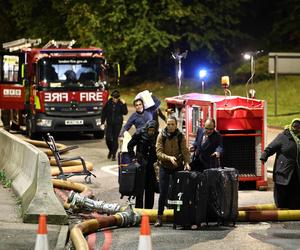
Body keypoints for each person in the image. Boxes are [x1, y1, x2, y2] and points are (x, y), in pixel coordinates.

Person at [155, 116, 191, 227]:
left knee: (178, 193)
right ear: (166, 124)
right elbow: (159, 153)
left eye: (172, 124)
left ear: (176, 125)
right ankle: (159, 217)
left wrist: (187, 162)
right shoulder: (161, 135)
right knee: (163, 193)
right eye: (168, 124)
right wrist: (169, 158)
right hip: (164, 167)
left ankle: (179, 216)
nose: (170, 126)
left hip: (177, 167)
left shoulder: (180, 136)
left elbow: (185, 151)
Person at [260, 118, 300, 209]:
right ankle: (281, 207)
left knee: (296, 191)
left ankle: (294, 208)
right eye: (295, 126)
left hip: (296, 171)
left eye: (299, 126)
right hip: (283, 170)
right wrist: (264, 156)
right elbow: (271, 147)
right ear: (291, 126)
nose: (297, 128)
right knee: (282, 191)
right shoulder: (283, 136)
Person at [127, 120, 159, 209]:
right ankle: (138, 211)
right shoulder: (139, 134)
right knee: (140, 190)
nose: (151, 132)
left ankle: (149, 212)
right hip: (140, 165)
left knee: (150, 190)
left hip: (152, 166)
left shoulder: (158, 136)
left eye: (153, 130)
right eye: (150, 130)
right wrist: (133, 158)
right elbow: (130, 145)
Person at [101, 90, 128, 161]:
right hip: (109, 124)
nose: (115, 99)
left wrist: (124, 104)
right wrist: (102, 123)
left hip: (118, 124)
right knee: (108, 138)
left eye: (117, 98)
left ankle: (113, 154)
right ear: (112, 97)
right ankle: (111, 150)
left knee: (115, 139)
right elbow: (104, 113)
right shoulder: (108, 103)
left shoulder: (121, 103)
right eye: (114, 98)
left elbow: (125, 112)